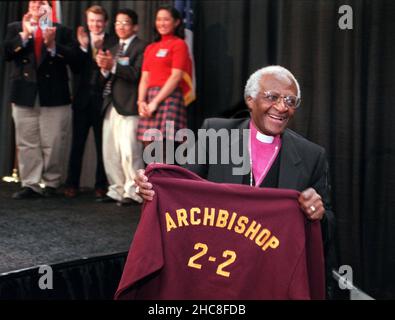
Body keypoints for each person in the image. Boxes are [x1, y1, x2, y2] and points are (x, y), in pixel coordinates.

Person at [135, 65, 336, 298]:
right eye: (272, 97)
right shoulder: (215, 134)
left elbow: (328, 226)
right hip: (213, 274)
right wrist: (153, 188)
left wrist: (317, 215)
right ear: (250, 100)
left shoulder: (312, 155)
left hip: (270, 278)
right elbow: (181, 189)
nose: (282, 107)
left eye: (291, 101)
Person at [3, 1, 77, 199]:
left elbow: (75, 59)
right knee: (27, 142)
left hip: (54, 95)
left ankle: (51, 182)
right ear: (29, 5)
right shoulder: (15, 27)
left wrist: (52, 45)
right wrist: (25, 35)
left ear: (49, 7)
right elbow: (7, 54)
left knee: (53, 141)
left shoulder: (62, 30)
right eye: (34, 1)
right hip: (24, 94)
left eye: (42, 2)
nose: (37, 5)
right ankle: (30, 183)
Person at [64, 5, 117, 200]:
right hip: (81, 101)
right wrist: (84, 47)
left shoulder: (114, 41)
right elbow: (75, 68)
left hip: (104, 101)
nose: (95, 24)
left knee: (102, 145)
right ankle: (71, 184)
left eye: (99, 21)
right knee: (77, 144)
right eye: (92, 20)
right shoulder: (79, 40)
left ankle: (101, 185)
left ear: (105, 22)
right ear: (87, 22)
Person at [96, 8, 146, 206]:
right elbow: (103, 80)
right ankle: (116, 189)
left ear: (135, 26)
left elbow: (136, 74)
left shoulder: (142, 47)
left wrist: (113, 67)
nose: (120, 26)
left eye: (125, 23)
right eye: (117, 23)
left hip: (130, 105)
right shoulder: (113, 47)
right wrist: (103, 69)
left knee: (130, 152)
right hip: (111, 105)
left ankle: (133, 191)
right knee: (111, 151)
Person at [136, 5, 193, 161]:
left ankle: (166, 184)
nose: (162, 23)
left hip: (169, 97)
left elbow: (176, 77)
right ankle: (152, 183)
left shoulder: (179, 44)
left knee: (165, 147)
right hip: (150, 97)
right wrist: (141, 101)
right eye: (159, 19)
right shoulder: (151, 48)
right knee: (148, 144)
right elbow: (144, 78)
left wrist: (155, 102)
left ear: (176, 23)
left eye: (166, 19)